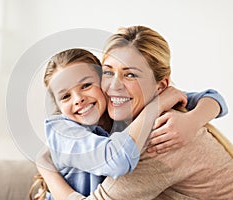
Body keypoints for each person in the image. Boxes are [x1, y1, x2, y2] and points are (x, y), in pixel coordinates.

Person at [35, 25, 232, 199]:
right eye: (109, 72)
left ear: (160, 87)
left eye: (130, 75)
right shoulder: (137, 116)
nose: (114, 86)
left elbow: (207, 97)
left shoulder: (162, 137)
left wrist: (46, 169)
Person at [36, 48, 189, 200]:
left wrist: (196, 118)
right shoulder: (62, 132)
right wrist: (155, 107)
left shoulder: (117, 110)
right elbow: (117, 161)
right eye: (65, 96)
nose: (77, 99)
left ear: (104, 83)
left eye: (86, 85)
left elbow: (185, 96)